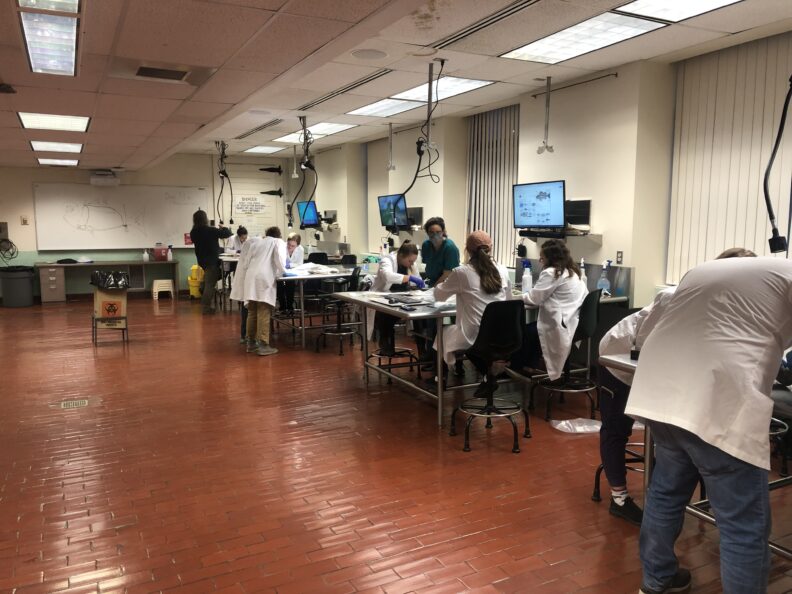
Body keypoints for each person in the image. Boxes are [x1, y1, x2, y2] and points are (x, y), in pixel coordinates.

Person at [627, 255, 792, 594]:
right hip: (715, 396)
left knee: (665, 491)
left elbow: (648, 330)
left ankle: (656, 581)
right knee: (743, 525)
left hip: (661, 386)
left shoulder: (706, 269)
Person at [598, 246, 757, 527]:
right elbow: (645, 344)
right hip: (619, 359)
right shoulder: (675, 296)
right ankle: (619, 499)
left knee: (667, 436)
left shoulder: (731, 303)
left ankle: (659, 499)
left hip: (663, 370)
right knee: (616, 429)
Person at [433, 231, 511, 383]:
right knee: (469, 333)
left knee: (441, 333)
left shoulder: (461, 272)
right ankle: (488, 375)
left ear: (467, 250)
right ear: (491, 248)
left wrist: (440, 284)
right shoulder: (503, 270)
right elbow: (508, 300)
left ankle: (440, 380)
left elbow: (439, 296)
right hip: (501, 335)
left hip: (473, 337)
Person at [511, 239, 588, 380]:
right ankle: (529, 366)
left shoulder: (552, 273)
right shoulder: (572, 272)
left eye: (542, 257)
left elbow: (533, 299)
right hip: (575, 323)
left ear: (550, 258)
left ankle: (515, 369)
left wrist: (509, 297)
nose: (540, 260)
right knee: (534, 331)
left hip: (559, 325)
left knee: (524, 333)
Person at [232, 228, 286, 356]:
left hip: (250, 277)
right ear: (278, 235)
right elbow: (280, 260)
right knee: (264, 310)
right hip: (263, 278)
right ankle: (263, 345)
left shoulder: (256, 242)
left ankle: (250, 343)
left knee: (252, 311)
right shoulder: (277, 242)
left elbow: (245, 263)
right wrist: (283, 271)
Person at [416, 217, 460, 363]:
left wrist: (435, 289)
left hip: (449, 285)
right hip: (432, 284)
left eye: (438, 232)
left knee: (443, 319)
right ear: (427, 233)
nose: (435, 235)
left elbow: (448, 273)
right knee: (426, 317)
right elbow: (426, 264)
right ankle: (428, 354)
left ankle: (442, 357)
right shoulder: (427, 245)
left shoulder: (450, 248)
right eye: (431, 232)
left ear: (444, 232)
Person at [368, 240, 424, 356]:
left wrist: (418, 283)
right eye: (409, 261)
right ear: (401, 255)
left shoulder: (411, 264)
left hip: (403, 297)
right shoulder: (387, 260)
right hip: (382, 297)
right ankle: (386, 347)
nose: (411, 264)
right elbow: (388, 277)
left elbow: (416, 279)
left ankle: (423, 354)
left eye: (413, 261)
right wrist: (410, 278)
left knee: (420, 318)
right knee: (386, 317)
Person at [189, 209, 232, 314]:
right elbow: (227, 233)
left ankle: (202, 286)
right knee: (210, 284)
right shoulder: (210, 230)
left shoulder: (193, 232)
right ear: (205, 219)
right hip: (212, 261)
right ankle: (206, 308)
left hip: (202, 261)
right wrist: (223, 227)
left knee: (210, 279)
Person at [277, 233, 304, 312]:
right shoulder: (282, 247)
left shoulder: (300, 249)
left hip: (292, 272)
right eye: (289, 244)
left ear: (297, 245)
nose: (290, 247)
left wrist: (290, 264)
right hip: (281, 271)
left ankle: (290, 307)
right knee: (280, 287)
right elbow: (279, 261)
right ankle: (282, 308)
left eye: (293, 246)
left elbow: (300, 264)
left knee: (290, 286)